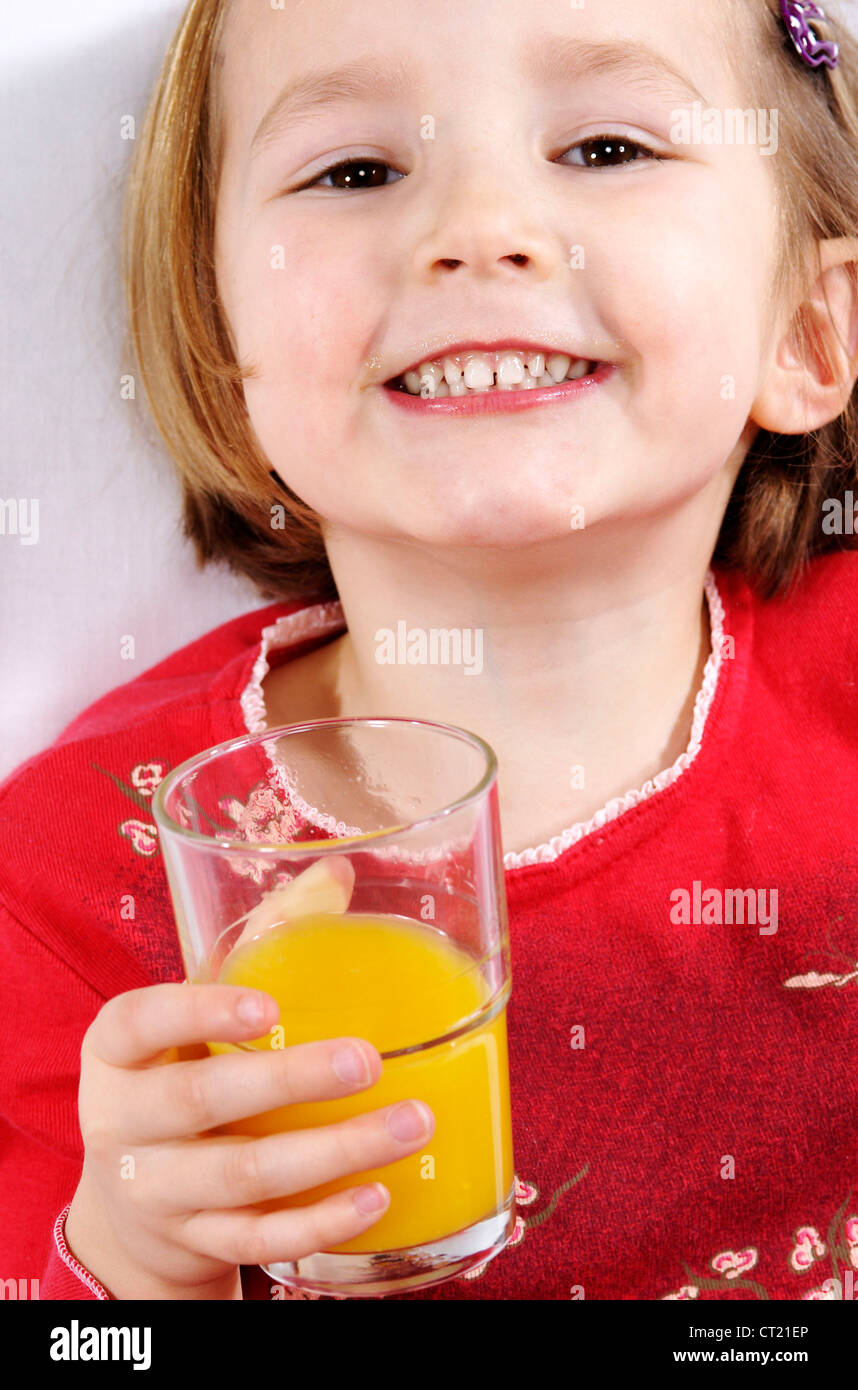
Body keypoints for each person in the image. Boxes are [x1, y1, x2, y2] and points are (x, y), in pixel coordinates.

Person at [2, 0, 858, 1301]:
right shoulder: (75, 881)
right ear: (226, 358)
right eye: (355, 171)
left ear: (806, 328)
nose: (477, 233)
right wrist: (130, 1267)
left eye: (606, 148)